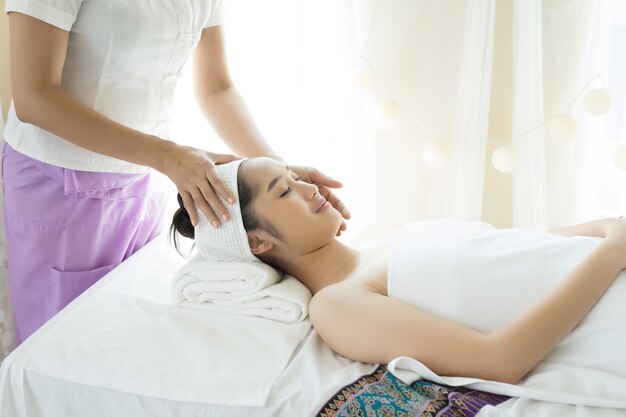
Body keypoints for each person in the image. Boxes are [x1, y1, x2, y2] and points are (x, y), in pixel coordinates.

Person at [3, 0, 349, 345]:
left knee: (128, 340)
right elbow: (34, 98)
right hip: (62, 187)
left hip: (145, 180)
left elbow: (217, 90)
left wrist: (281, 173)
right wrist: (168, 157)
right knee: (61, 345)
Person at [171, 156, 626, 386]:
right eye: (285, 191)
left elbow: (507, 255)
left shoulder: (378, 239)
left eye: (298, 176)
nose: (310, 187)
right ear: (257, 242)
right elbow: (499, 361)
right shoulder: (337, 303)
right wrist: (609, 255)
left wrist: (603, 229)